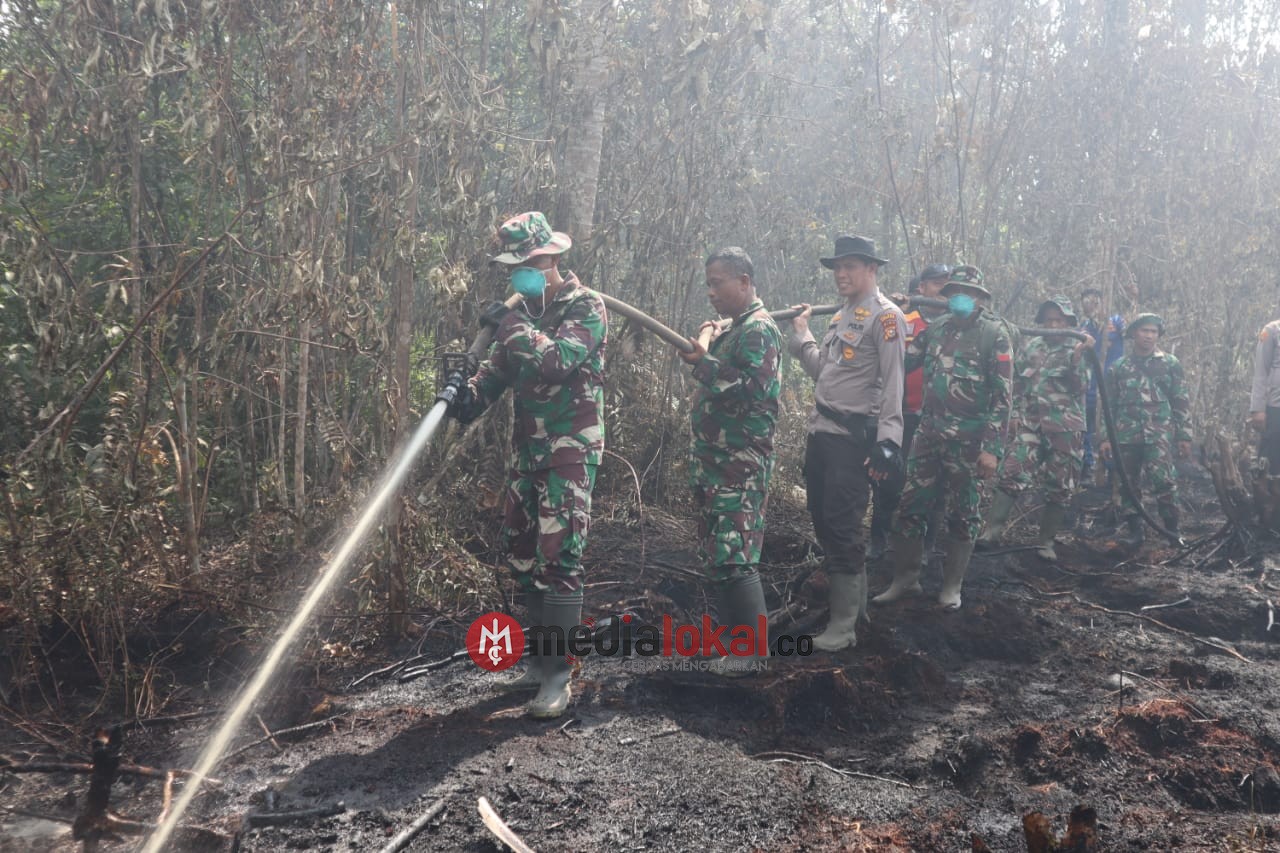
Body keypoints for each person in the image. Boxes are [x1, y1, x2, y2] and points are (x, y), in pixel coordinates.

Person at [445, 211, 607, 718]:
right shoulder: (520, 320)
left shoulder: (587, 307)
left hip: (570, 452)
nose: (519, 274)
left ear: (550, 259)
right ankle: (538, 663)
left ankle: (558, 678)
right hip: (527, 455)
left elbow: (557, 361)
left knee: (560, 559)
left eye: (527, 264)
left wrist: (510, 326)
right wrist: (458, 391)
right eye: (513, 267)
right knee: (522, 555)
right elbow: (488, 389)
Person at [787, 235, 906, 652]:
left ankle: (843, 627)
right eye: (837, 267)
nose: (841, 274)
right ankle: (856, 612)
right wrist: (802, 336)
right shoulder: (840, 317)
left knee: (842, 524)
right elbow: (825, 372)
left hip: (853, 440)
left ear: (872, 270)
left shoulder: (887, 318)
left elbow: (893, 385)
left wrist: (889, 442)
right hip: (823, 433)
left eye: (850, 266)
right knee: (823, 518)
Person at [874, 265, 1013, 611]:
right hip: (929, 435)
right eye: (954, 292)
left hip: (970, 443)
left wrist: (992, 450)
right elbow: (903, 361)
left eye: (968, 292)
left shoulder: (995, 335)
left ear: (981, 299)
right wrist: (893, 315)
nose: (960, 298)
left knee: (964, 515)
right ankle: (906, 578)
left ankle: (951, 586)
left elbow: (1003, 398)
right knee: (909, 506)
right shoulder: (936, 329)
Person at [679, 247, 782, 676]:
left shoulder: (759, 330)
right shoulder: (735, 328)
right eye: (708, 283)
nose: (711, 291)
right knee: (718, 553)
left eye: (718, 282)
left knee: (736, 553)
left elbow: (751, 389)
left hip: (739, 462)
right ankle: (734, 645)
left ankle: (753, 653)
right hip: (715, 462)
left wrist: (705, 364)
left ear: (744, 281)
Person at [977, 297, 1093, 560]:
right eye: (1049, 319)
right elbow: (1016, 383)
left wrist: (1077, 357)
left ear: (1068, 323)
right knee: (1011, 472)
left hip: (1066, 427)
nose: (1053, 324)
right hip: (1031, 423)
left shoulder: (1079, 347)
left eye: (1059, 320)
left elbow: (1081, 386)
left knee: (1060, 484)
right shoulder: (1032, 347)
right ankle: (991, 533)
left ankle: (1046, 543)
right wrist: (1014, 413)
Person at [868, 263, 950, 562]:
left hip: (937, 419)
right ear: (922, 288)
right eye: (937, 283)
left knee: (935, 486)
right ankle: (879, 541)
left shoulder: (955, 325)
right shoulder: (906, 318)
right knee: (888, 477)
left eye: (948, 284)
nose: (942, 289)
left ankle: (925, 547)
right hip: (902, 414)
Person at [1099, 313, 1191, 549]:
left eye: (1153, 331)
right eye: (1144, 330)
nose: (1149, 336)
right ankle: (1135, 533)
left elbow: (1180, 401)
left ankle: (1172, 532)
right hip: (1125, 435)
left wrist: (1184, 436)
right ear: (1133, 334)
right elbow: (1108, 406)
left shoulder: (1170, 364)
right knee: (1128, 484)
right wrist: (1105, 438)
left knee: (1164, 481)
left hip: (1158, 435)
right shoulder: (1119, 367)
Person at [1079, 288, 1125, 482]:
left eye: (1095, 301)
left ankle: (1114, 470)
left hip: (1113, 387)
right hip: (1090, 388)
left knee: (1114, 428)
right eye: (1086, 302)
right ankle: (1088, 467)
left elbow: (1132, 330)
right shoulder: (1083, 328)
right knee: (1088, 428)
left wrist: (1132, 299)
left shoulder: (1116, 322)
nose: (1091, 305)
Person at [1249, 316, 1280, 528]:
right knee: (1271, 462)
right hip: (1275, 407)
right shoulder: (1272, 331)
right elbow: (1260, 372)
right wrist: (1257, 408)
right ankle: (1270, 518)